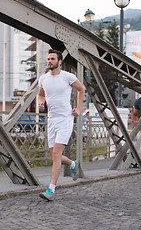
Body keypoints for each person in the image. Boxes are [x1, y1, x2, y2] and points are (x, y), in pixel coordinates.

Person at [38, 49, 85, 200]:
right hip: (51, 119)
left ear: (59, 62)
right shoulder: (43, 78)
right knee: (54, 156)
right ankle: (72, 164)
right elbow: (40, 94)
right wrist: (41, 103)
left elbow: (81, 89)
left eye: (52, 59)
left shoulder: (68, 77)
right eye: (48, 59)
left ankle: (51, 189)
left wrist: (78, 108)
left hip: (65, 119)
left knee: (57, 154)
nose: (49, 61)